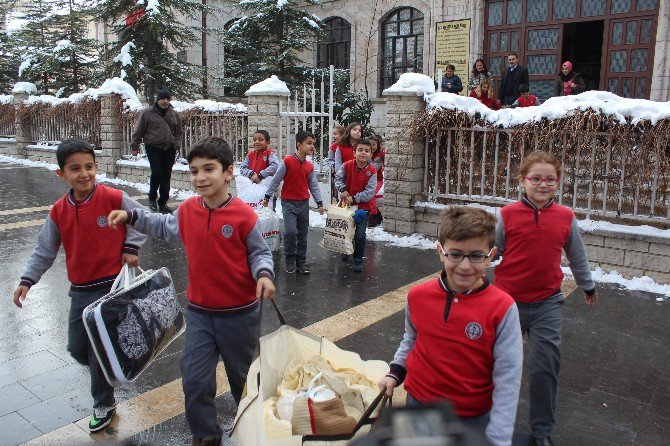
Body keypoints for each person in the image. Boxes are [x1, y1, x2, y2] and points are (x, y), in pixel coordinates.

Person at [107, 137, 276, 446]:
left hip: (240, 316)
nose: (200, 177)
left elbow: (260, 254)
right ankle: (206, 436)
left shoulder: (243, 216)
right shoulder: (187, 211)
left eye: (208, 169)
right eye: (195, 170)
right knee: (195, 379)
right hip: (199, 313)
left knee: (245, 380)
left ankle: (257, 430)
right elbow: (162, 225)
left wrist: (263, 275)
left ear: (228, 172)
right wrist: (131, 215)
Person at [12, 138, 147, 433]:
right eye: (75, 169)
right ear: (62, 174)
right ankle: (109, 368)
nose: (83, 174)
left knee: (99, 346)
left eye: (89, 167)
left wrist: (131, 247)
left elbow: (141, 219)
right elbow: (44, 250)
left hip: (112, 289)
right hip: (81, 290)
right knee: (76, 347)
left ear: (96, 167)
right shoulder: (59, 211)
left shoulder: (113, 197)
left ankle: (103, 402)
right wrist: (27, 280)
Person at [378, 206, 522, 446]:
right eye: (455, 254)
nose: (465, 266)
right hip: (418, 408)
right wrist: (395, 372)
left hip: (470, 418)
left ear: (491, 254)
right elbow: (412, 339)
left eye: (476, 256)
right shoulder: (417, 296)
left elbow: (508, 377)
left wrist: (499, 438)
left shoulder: (503, 307)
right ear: (441, 252)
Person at [493, 150, 597, 446]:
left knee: (545, 367)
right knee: (495, 366)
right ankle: (488, 422)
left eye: (550, 179)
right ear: (522, 181)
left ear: (558, 183)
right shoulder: (507, 215)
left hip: (546, 304)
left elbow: (577, 256)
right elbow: (493, 250)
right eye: (536, 178)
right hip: (506, 303)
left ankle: (541, 432)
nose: (543, 184)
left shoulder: (565, 217)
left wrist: (587, 285)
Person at [262, 130, 325, 274]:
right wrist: (267, 196)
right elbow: (276, 179)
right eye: (309, 143)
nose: (312, 147)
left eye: (313, 144)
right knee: (290, 232)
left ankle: (301, 261)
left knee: (303, 233)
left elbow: (313, 185)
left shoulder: (309, 166)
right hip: (288, 203)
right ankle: (290, 259)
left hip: (303, 204)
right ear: (299, 145)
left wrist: (320, 202)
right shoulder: (287, 161)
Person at [130, 86, 182, 214]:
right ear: (157, 100)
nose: (165, 101)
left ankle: (163, 203)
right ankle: (152, 198)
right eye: (162, 98)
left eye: (167, 99)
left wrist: (177, 144)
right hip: (153, 148)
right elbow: (139, 131)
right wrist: (135, 146)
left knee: (166, 176)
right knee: (157, 173)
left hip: (169, 149)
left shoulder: (174, 114)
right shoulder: (148, 113)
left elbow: (179, 132)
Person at [335, 138, 377, 273]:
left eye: (367, 151)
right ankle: (346, 251)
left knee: (359, 234)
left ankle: (358, 258)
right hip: (346, 205)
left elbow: (369, 193)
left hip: (363, 208)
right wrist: (342, 190)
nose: (363, 153)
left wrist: (354, 198)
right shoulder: (347, 165)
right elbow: (338, 178)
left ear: (371, 154)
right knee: (346, 230)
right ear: (354, 152)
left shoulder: (372, 171)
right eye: (360, 150)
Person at [368, 135, 385, 227]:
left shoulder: (379, 155)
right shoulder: (365, 154)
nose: (372, 147)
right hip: (366, 180)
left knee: (372, 194)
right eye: (370, 145)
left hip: (377, 179)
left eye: (374, 144)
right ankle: (377, 214)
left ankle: (373, 217)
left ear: (378, 145)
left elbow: (374, 168)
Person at [328, 125, 346, 203]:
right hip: (337, 175)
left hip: (348, 173)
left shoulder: (346, 146)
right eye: (333, 134)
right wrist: (334, 166)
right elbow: (330, 160)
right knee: (338, 194)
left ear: (342, 135)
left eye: (335, 134)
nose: (333, 136)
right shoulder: (333, 147)